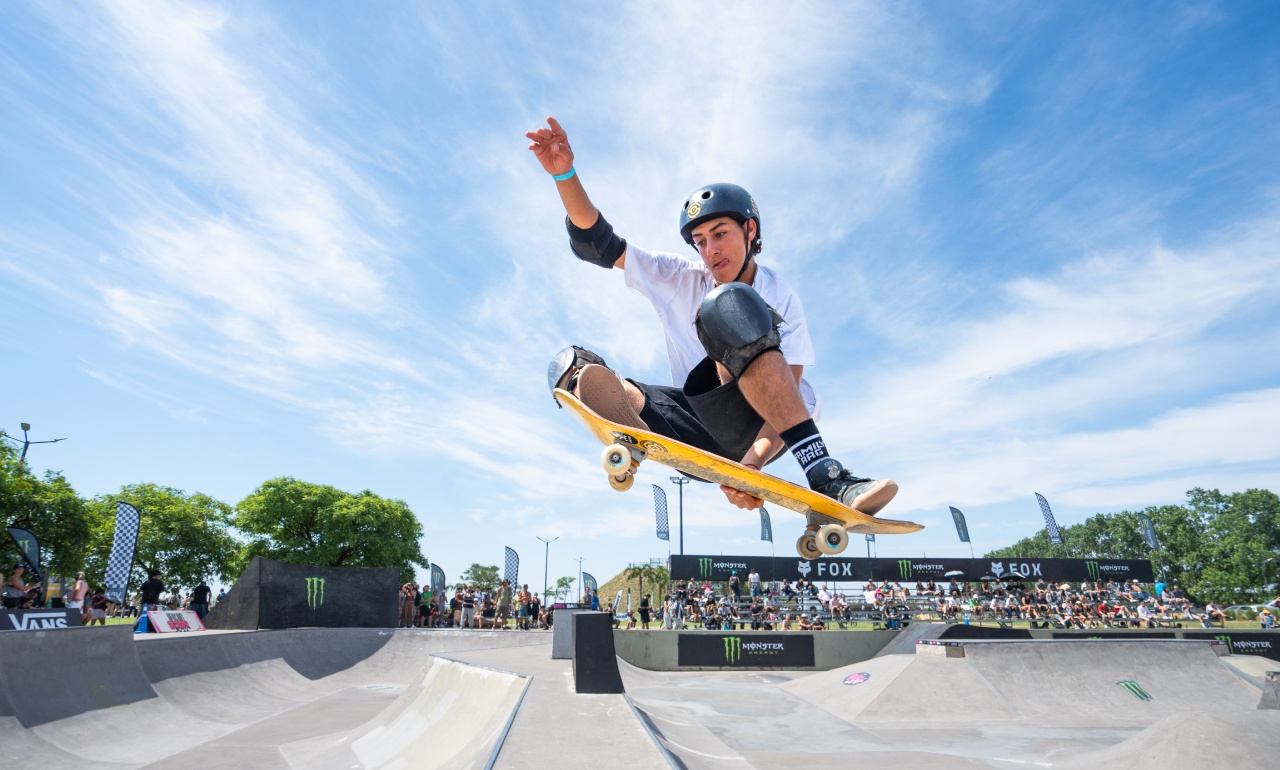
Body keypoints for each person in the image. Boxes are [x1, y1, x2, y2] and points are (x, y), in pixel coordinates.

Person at [529, 117, 898, 520]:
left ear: (749, 230)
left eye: (720, 234)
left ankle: (826, 476)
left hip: (762, 428)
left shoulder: (779, 292)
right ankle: (631, 435)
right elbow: (600, 244)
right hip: (696, 427)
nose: (710, 251)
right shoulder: (679, 278)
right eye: (700, 242)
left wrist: (754, 462)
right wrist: (564, 174)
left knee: (729, 304)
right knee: (574, 368)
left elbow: (789, 392)